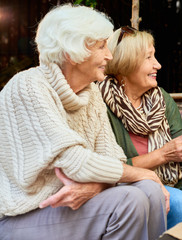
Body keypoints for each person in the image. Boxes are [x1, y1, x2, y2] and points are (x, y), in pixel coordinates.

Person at [0, 4, 169, 240]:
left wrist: (98, 186)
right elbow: (73, 161)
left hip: (73, 206)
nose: (109, 56)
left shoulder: (91, 94)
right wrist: (143, 173)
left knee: (150, 190)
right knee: (129, 199)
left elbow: (113, 160)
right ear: (72, 52)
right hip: (26, 214)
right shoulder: (28, 87)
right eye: (101, 46)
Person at [98, 27, 182, 228]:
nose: (158, 65)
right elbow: (109, 167)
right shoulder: (99, 103)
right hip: (126, 185)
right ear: (126, 64)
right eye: (149, 58)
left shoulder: (160, 98)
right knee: (179, 204)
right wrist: (163, 154)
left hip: (171, 181)